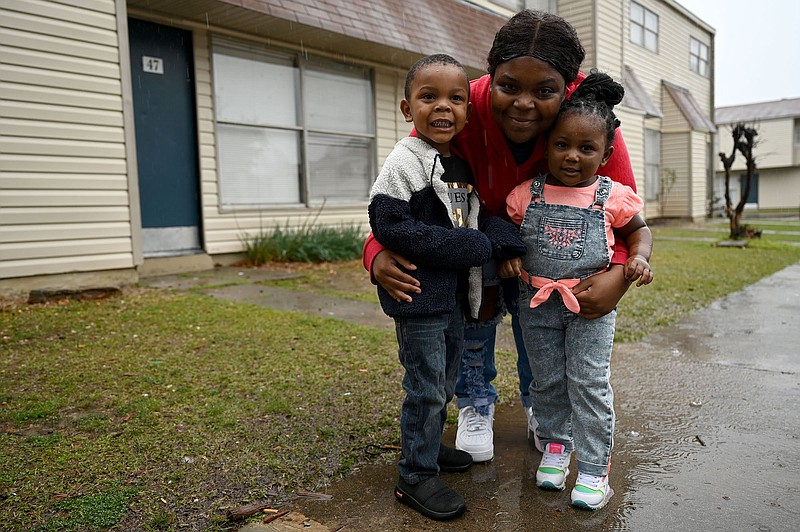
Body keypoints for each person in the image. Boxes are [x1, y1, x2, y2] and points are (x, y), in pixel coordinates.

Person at [363, 9, 639, 462]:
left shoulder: (591, 121)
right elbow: (401, 181)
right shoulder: (457, 103)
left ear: (567, 89)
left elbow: (622, 209)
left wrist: (618, 276)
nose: (524, 104)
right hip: (472, 239)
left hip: (552, 255)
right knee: (477, 318)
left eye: (545, 91)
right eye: (508, 86)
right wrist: (375, 252)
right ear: (489, 78)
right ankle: (476, 403)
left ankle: (540, 407)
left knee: (542, 329)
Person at [368, 54, 526, 521]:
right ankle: (414, 476)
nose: (443, 107)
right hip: (417, 297)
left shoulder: (459, 162)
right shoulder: (405, 160)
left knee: (445, 381)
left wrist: (503, 239)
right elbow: (390, 224)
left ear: (468, 110)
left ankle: (430, 449)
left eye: (456, 98)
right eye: (428, 96)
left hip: (456, 298)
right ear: (406, 107)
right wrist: (470, 247)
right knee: (425, 388)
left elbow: (476, 219)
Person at [502, 71, 653, 510]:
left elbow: (639, 232)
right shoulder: (523, 196)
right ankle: (555, 447)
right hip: (537, 306)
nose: (572, 157)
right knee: (547, 381)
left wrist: (638, 259)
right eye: (562, 145)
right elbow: (505, 233)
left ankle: (592, 468)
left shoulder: (613, 196)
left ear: (605, 154)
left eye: (586, 148)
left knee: (588, 383)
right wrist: (506, 254)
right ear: (546, 145)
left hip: (590, 310)